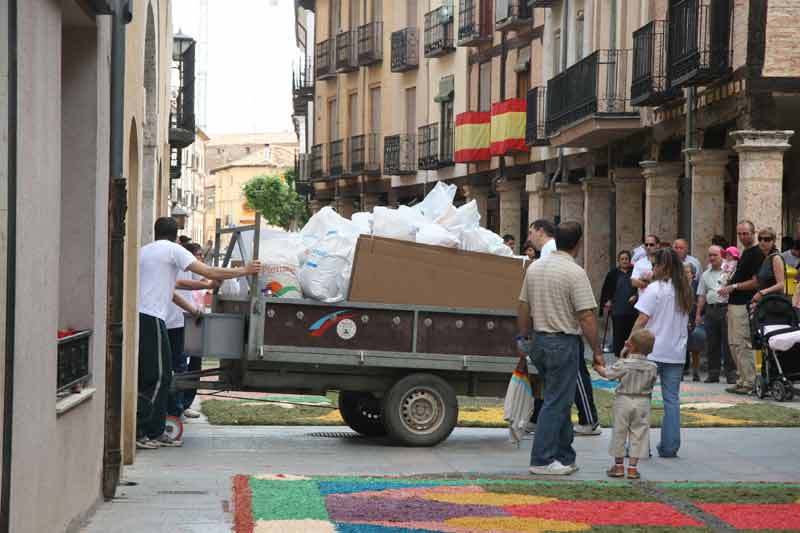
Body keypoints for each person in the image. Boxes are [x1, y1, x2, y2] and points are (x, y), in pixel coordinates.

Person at [136, 217, 261, 450]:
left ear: (156, 232)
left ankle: (157, 429)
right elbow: (207, 270)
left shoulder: (147, 251)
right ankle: (142, 431)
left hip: (149, 318)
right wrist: (243, 270)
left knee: (163, 376)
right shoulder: (174, 250)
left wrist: (203, 290)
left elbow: (176, 285)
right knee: (158, 376)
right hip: (150, 317)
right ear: (176, 235)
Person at [518, 221, 603, 475]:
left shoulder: (535, 267)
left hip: (540, 341)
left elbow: (522, 306)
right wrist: (597, 350)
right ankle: (542, 460)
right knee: (556, 402)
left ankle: (565, 456)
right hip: (563, 341)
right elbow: (586, 316)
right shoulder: (574, 272)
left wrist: (524, 338)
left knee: (560, 399)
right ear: (578, 244)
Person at [631, 247, 692, 458]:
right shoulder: (684, 289)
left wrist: (630, 342)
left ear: (663, 267)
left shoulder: (655, 289)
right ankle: (669, 447)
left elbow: (642, 319)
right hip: (676, 351)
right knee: (672, 400)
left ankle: (639, 445)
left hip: (652, 351)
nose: (652, 268)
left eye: (655, 264)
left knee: (642, 399)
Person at [165, 242, 217, 420]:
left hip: (185, 321)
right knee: (178, 367)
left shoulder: (190, 268)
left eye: (202, 255)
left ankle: (182, 405)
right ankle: (175, 409)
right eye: (198, 255)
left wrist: (212, 282)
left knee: (189, 365)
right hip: (171, 322)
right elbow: (181, 285)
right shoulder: (174, 268)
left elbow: (204, 280)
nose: (200, 258)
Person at [601, 329, 658, 480]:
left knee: (620, 431)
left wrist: (598, 367)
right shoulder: (653, 367)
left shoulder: (624, 364)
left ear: (631, 346)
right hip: (643, 401)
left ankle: (618, 466)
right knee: (639, 433)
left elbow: (608, 374)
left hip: (623, 399)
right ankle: (633, 468)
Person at [718, 221, 764, 395]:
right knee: (733, 344)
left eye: (746, 233)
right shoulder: (745, 253)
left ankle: (750, 381)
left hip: (743, 302)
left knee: (742, 343)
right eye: (740, 234)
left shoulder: (756, 253)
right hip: (733, 302)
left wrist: (734, 287)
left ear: (753, 233)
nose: (743, 237)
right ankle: (742, 379)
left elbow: (755, 281)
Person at [695, 246, 736, 383]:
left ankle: (731, 373)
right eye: (710, 255)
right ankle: (713, 373)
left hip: (726, 309)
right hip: (711, 310)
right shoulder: (705, 274)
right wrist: (698, 314)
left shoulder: (729, 271)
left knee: (727, 343)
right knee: (711, 342)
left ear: (722, 256)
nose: (712, 258)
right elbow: (701, 295)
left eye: (715, 255)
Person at [600, 250, 638, 358]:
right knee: (618, 333)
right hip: (618, 309)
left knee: (631, 333)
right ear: (618, 261)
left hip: (633, 309)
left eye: (626, 259)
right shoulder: (613, 274)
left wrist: (636, 295)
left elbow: (640, 288)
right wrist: (607, 301)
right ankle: (619, 356)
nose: (625, 261)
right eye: (622, 259)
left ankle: (631, 354)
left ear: (630, 260)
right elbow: (606, 289)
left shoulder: (635, 272)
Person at [752, 227, 786, 306]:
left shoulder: (775, 258)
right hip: (765, 303)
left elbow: (781, 284)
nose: (762, 242)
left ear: (773, 241)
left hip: (774, 304)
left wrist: (762, 292)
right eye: (760, 239)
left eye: (766, 239)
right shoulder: (764, 258)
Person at [684, 263, 702, 382]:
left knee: (695, 347)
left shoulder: (697, 285)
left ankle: (696, 371)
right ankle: (682, 370)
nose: (685, 275)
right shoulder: (679, 286)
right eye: (683, 272)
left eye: (687, 272)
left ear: (693, 274)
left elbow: (700, 300)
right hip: (682, 318)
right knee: (681, 346)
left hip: (694, 317)